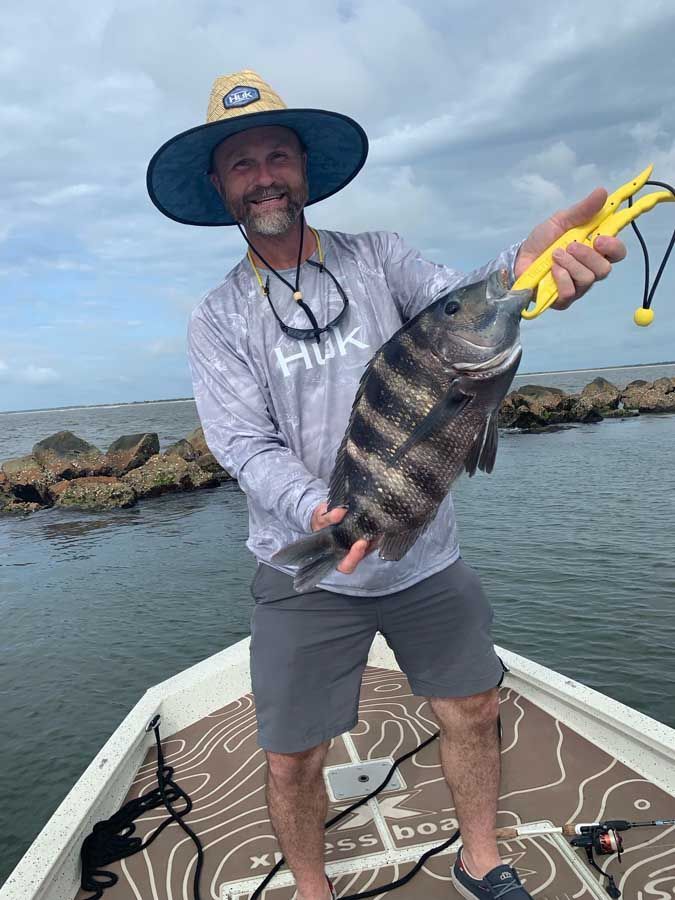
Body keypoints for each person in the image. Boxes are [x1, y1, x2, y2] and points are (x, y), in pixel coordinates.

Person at [147, 70, 626, 900]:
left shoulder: (380, 257)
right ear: (221, 186)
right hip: (306, 559)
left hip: (426, 557)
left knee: (472, 709)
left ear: (304, 169)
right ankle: (311, 888)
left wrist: (528, 263)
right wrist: (321, 513)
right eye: (242, 164)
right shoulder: (219, 316)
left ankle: (481, 859)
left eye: (277, 155)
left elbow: (458, 306)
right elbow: (240, 443)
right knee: (294, 753)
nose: (264, 176)